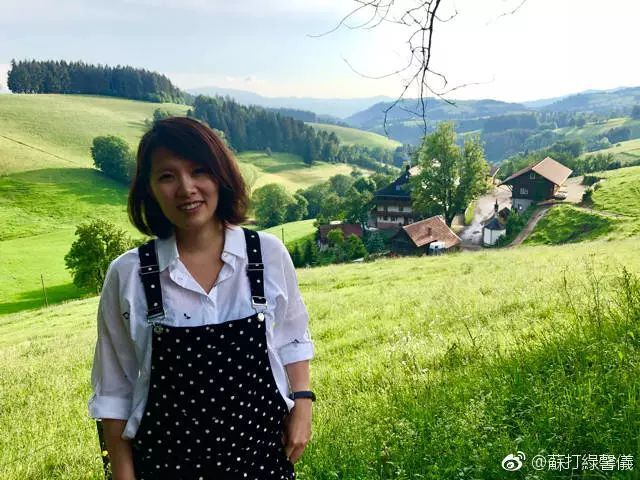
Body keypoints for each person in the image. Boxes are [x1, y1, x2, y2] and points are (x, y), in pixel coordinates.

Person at [88, 117, 315, 479]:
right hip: (165, 469)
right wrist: (123, 474)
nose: (186, 188)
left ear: (221, 176)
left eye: (199, 171)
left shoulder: (267, 255)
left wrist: (302, 404)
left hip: (261, 462)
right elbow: (115, 391)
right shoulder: (128, 275)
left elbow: (292, 337)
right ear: (149, 189)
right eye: (167, 176)